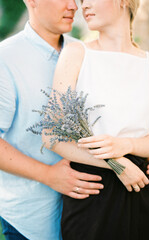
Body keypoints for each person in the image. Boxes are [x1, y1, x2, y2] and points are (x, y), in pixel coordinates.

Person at [42, 0, 149, 239]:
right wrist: (117, 163)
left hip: (139, 187)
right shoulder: (77, 54)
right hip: (91, 189)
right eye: (82, 0)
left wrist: (128, 146)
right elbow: (51, 134)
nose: (84, 6)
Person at [0, 0, 114, 239]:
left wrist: (136, 157)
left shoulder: (86, 53)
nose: (74, 6)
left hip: (88, 213)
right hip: (29, 221)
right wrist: (48, 175)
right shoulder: (6, 59)